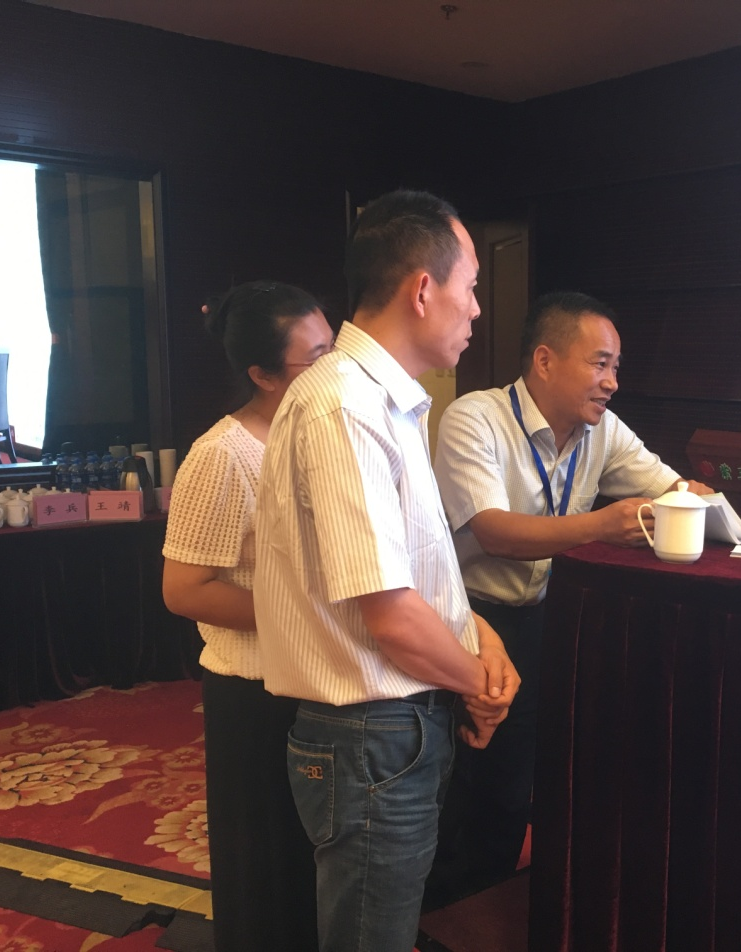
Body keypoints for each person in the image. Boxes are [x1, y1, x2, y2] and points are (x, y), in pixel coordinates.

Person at [253, 189, 520, 952]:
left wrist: (481, 637)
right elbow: (392, 617)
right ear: (423, 289)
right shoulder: (345, 405)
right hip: (370, 734)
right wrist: (479, 685)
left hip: (390, 731)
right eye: (471, 286)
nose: (476, 309)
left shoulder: (381, 401)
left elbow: (417, 574)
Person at [430, 290, 712, 901]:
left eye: (616, 367)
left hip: (545, 619)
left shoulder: (601, 430)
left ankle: (489, 905)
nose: (612, 382)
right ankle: (440, 912)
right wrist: (602, 524)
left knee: (520, 782)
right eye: (600, 363)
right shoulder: (475, 418)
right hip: (467, 618)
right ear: (545, 360)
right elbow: (494, 532)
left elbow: (674, 489)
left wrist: (706, 504)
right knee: (463, 779)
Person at [162, 280, 334, 952]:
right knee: (266, 867)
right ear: (262, 374)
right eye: (314, 358)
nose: (333, 369)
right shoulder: (224, 454)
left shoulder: (321, 436)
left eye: (333, 348)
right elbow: (184, 589)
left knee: (313, 858)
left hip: (315, 680)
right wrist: (300, 611)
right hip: (253, 693)